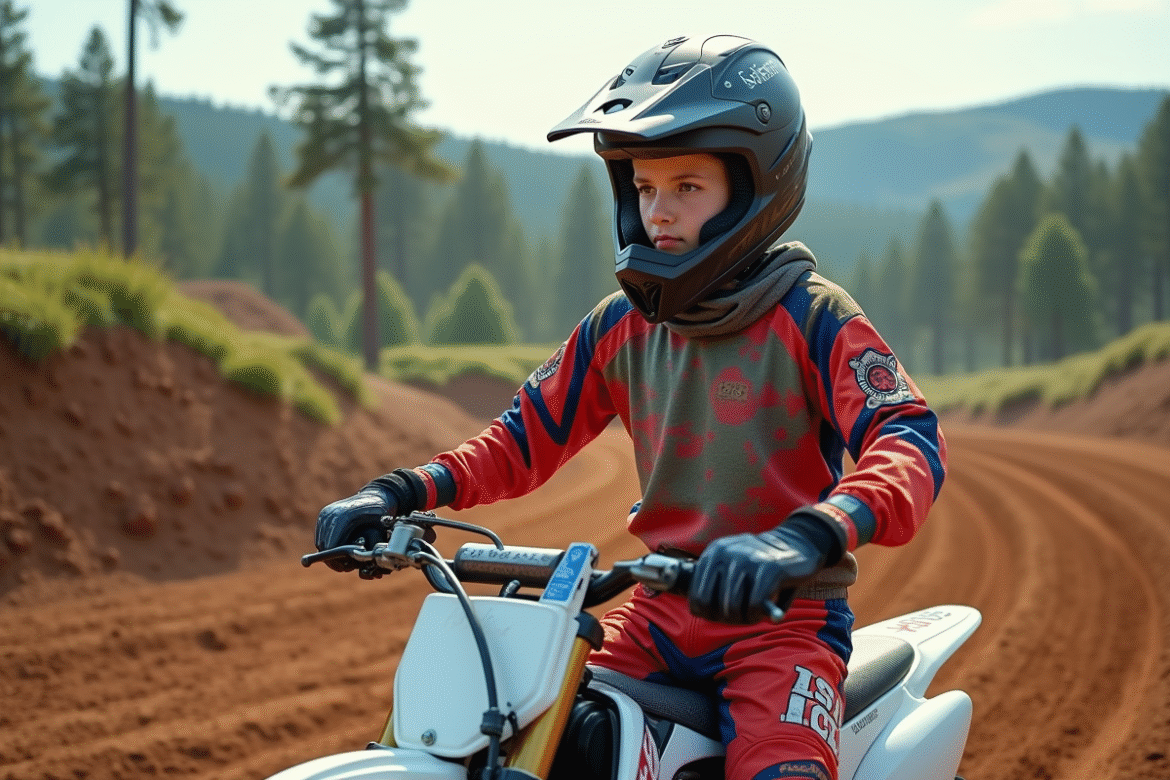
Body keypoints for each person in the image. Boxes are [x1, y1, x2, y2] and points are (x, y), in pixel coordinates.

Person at [315, 34, 946, 780]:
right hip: (658, 614)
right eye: (644, 188)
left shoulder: (813, 317)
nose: (659, 212)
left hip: (782, 623)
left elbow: (908, 442)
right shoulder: (619, 325)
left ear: (755, 189)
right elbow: (520, 440)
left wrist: (806, 537)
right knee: (516, 734)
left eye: (687, 186)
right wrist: (400, 489)